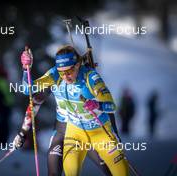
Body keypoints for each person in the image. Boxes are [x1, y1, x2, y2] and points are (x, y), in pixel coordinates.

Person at [14, 45, 129, 175]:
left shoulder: (89, 78)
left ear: (78, 65)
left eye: (69, 71)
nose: (66, 76)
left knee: (114, 171)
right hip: (69, 131)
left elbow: (110, 107)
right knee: (60, 171)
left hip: (96, 131)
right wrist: (25, 69)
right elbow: (30, 95)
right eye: (62, 72)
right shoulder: (55, 77)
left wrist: (100, 109)